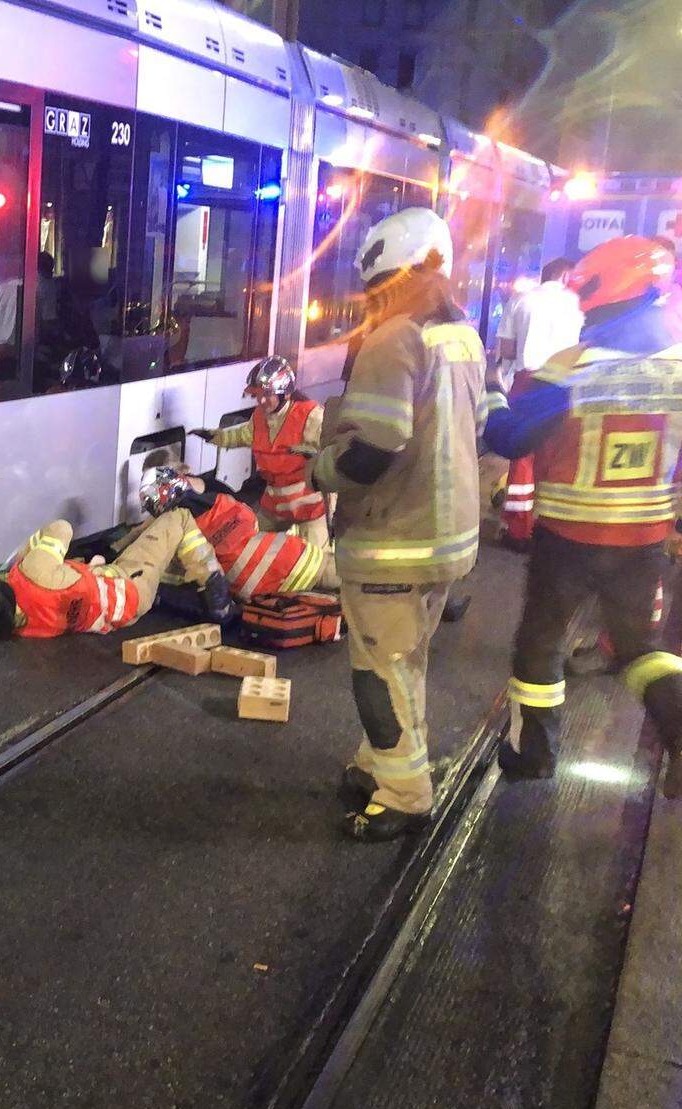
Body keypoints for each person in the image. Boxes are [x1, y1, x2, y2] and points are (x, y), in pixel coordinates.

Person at [484, 236, 682, 799]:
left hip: (566, 539)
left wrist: (492, 400)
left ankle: (532, 755)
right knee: (643, 648)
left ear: (598, 297)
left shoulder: (572, 367)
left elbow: (510, 436)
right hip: (642, 541)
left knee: (540, 644)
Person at [312, 207, 485, 842]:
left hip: (395, 538)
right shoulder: (460, 333)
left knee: (379, 669)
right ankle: (377, 761)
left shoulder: (393, 339)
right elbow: (482, 422)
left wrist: (319, 471)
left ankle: (405, 794)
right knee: (406, 659)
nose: (371, 299)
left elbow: (373, 450)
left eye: (377, 286)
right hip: (449, 536)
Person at [0, 508, 232, 639]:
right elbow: (61, 529)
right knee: (178, 518)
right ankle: (216, 593)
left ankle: (161, 581)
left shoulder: (23, 627)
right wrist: (24, 554)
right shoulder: (31, 569)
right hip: (130, 584)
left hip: (118, 617)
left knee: (145, 533)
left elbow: (64, 593)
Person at [141, 465, 339, 599]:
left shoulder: (174, 531)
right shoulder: (218, 501)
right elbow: (251, 520)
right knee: (351, 576)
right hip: (291, 559)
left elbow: (177, 576)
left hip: (250, 593)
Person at [191, 356, 328, 546]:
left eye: (268, 394)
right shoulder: (259, 418)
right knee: (247, 545)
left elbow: (333, 453)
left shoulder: (310, 415)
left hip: (311, 511)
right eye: (257, 394)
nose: (262, 400)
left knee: (318, 562)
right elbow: (241, 436)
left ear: (285, 394)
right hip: (274, 506)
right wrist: (214, 437)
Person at [492, 259, 583, 545]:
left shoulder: (522, 299)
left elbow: (506, 349)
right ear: (566, 275)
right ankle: (548, 523)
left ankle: (519, 528)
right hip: (568, 381)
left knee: (523, 453)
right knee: (556, 451)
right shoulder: (577, 304)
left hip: (529, 379)